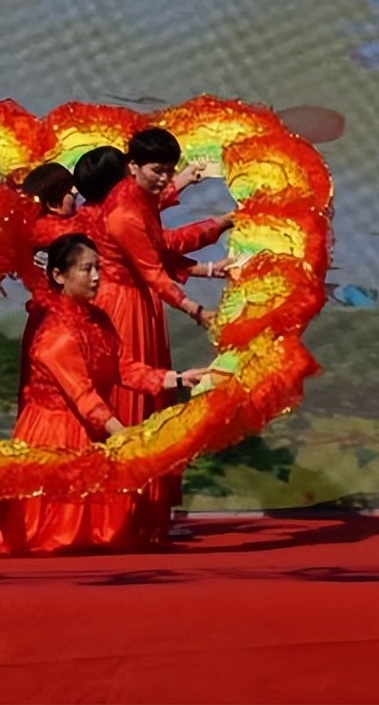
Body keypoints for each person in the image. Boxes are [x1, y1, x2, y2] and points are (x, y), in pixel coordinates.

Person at [0, 234, 208, 555]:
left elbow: (122, 368)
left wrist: (176, 379)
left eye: (98, 268)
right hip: (55, 433)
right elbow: (84, 397)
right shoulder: (55, 336)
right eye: (86, 269)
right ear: (58, 276)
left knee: (104, 535)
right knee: (60, 535)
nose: (96, 277)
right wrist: (124, 437)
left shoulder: (98, 319)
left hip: (91, 426)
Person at [95, 128, 232, 535]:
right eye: (158, 170)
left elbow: (158, 228)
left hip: (142, 307)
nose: (163, 178)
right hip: (123, 309)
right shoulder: (123, 214)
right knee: (134, 404)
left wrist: (190, 186)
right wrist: (197, 310)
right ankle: (126, 514)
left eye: (168, 171)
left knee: (157, 405)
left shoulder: (139, 196)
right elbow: (155, 270)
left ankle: (152, 512)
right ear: (132, 166)